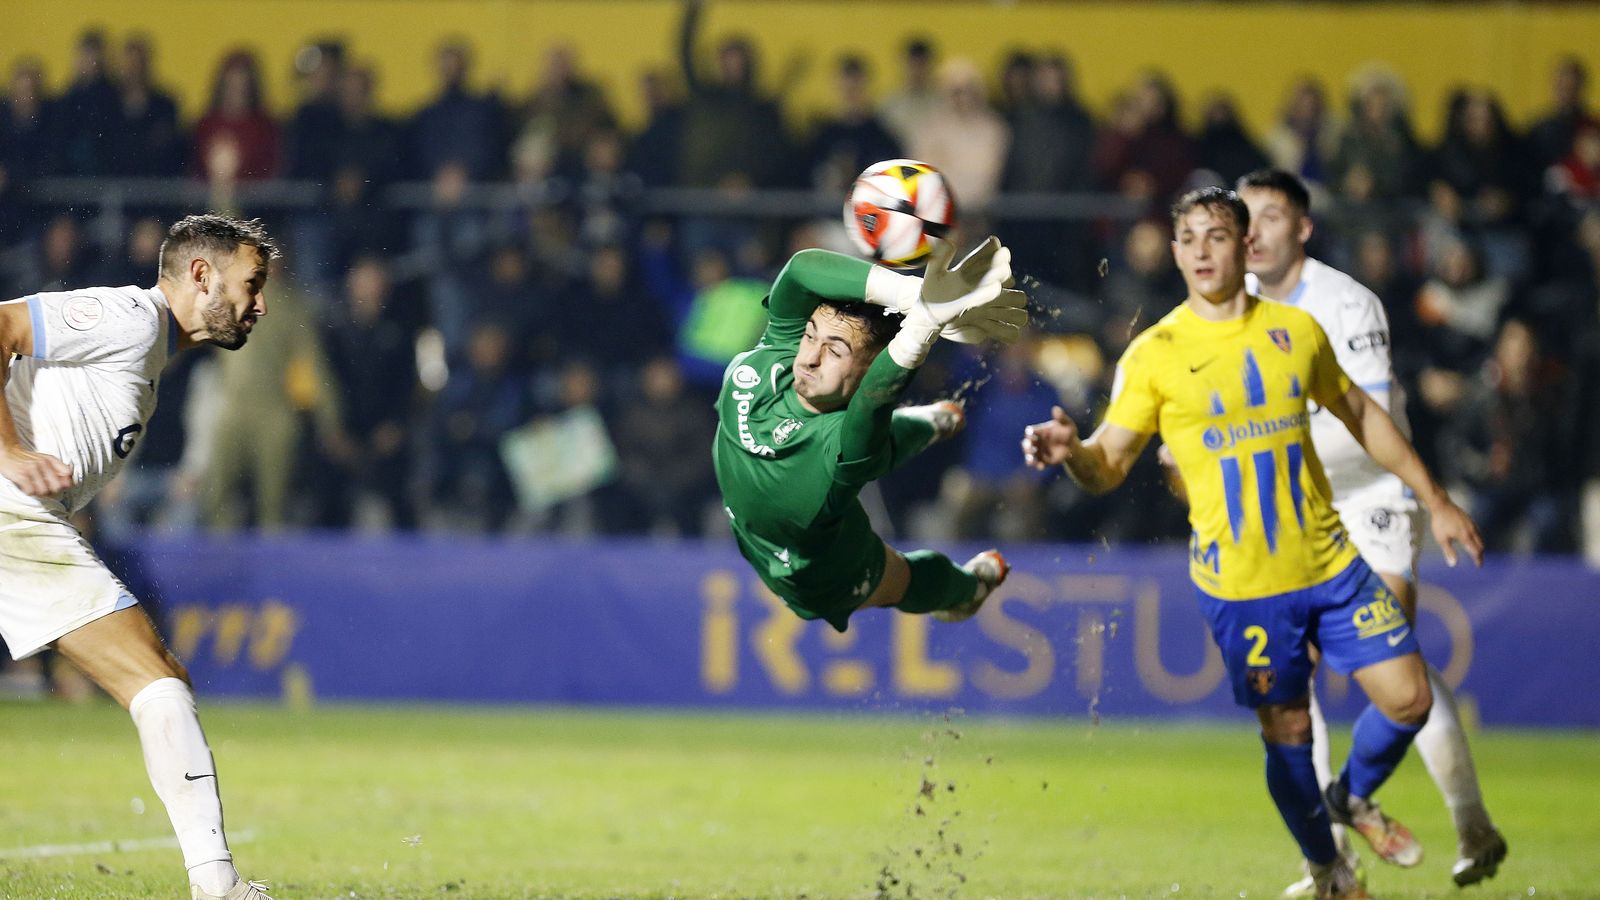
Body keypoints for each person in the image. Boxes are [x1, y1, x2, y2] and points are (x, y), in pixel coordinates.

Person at [1021, 187, 1485, 900]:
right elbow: (1108, 465)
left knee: (1409, 699)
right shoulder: (1154, 354)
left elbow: (1364, 413)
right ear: (1174, 252)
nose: (1203, 251)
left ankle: (1349, 800)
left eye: (1217, 236)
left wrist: (1437, 498)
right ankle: (1328, 868)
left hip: (1331, 561)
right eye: (1190, 239)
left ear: (1245, 247)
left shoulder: (1295, 331)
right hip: (1243, 584)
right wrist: (1071, 450)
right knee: (1290, 728)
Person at [1232, 168, 1507, 892]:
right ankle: (1330, 859)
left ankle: (1466, 816)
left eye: (1269, 216)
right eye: (1244, 217)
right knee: (1296, 681)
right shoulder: (1231, 308)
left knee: (1392, 668)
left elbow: (1364, 424)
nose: (1252, 231)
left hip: (1368, 495)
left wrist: (1262, 444)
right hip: (1289, 512)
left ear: (1304, 228)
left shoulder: (1346, 303)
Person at [0, 214, 276, 900]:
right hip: (7, 509)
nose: (261, 303)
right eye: (253, 282)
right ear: (202, 276)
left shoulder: (150, 354)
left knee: (159, 676)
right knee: (156, 678)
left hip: (24, 514)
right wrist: (7, 450)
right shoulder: (129, 317)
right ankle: (217, 885)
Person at [713, 238, 1025, 632]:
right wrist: (912, 295)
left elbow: (871, 407)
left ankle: (967, 592)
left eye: (836, 351)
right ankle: (932, 423)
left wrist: (923, 327)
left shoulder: (838, 440)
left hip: (815, 572)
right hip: (766, 519)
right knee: (868, 449)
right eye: (810, 336)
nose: (808, 358)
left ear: (868, 372)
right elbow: (799, 270)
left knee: (904, 577)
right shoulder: (779, 354)